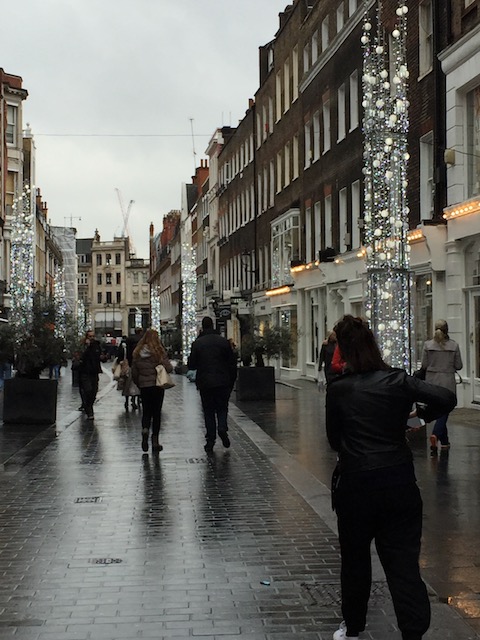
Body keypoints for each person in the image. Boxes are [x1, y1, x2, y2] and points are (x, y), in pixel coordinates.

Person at [326, 315, 456, 640]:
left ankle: (353, 627)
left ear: (343, 350)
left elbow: (333, 440)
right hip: (398, 483)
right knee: (403, 563)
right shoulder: (397, 381)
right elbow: (446, 398)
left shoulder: (339, 390)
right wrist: (417, 418)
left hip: (355, 486)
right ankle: (413, 632)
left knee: (355, 561)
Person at [187, 316, 238, 453]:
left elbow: (191, 365)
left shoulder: (197, 343)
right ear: (213, 325)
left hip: (205, 382)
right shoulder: (223, 342)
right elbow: (231, 362)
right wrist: (231, 380)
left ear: (203, 327)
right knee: (222, 408)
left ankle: (210, 440)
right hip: (222, 381)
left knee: (208, 411)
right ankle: (222, 427)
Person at [421, 319, 463, 454]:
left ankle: (444, 441)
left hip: (432, 381)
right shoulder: (454, 346)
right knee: (445, 409)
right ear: (447, 330)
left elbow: (424, 365)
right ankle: (436, 434)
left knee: (438, 408)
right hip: (447, 381)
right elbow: (459, 366)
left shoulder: (428, 345)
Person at [131, 328, 172, 453]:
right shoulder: (159, 352)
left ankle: (145, 429)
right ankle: (155, 441)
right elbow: (169, 368)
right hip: (157, 385)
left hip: (144, 386)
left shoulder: (138, 352)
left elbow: (134, 372)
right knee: (157, 413)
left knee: (147, 411)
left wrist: (139, 383)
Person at [78, 329, 102, 420]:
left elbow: (100, 356)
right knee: (88, 390)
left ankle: (88, 405)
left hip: (94, 372)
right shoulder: (83, 346)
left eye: (93, 336)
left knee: (94, 392)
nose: (92, 338)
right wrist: (87, 347)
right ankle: (89, 410)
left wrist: (103, 357)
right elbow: (80, 356)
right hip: (85, 371)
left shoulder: (97, 345)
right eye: (90, 336)